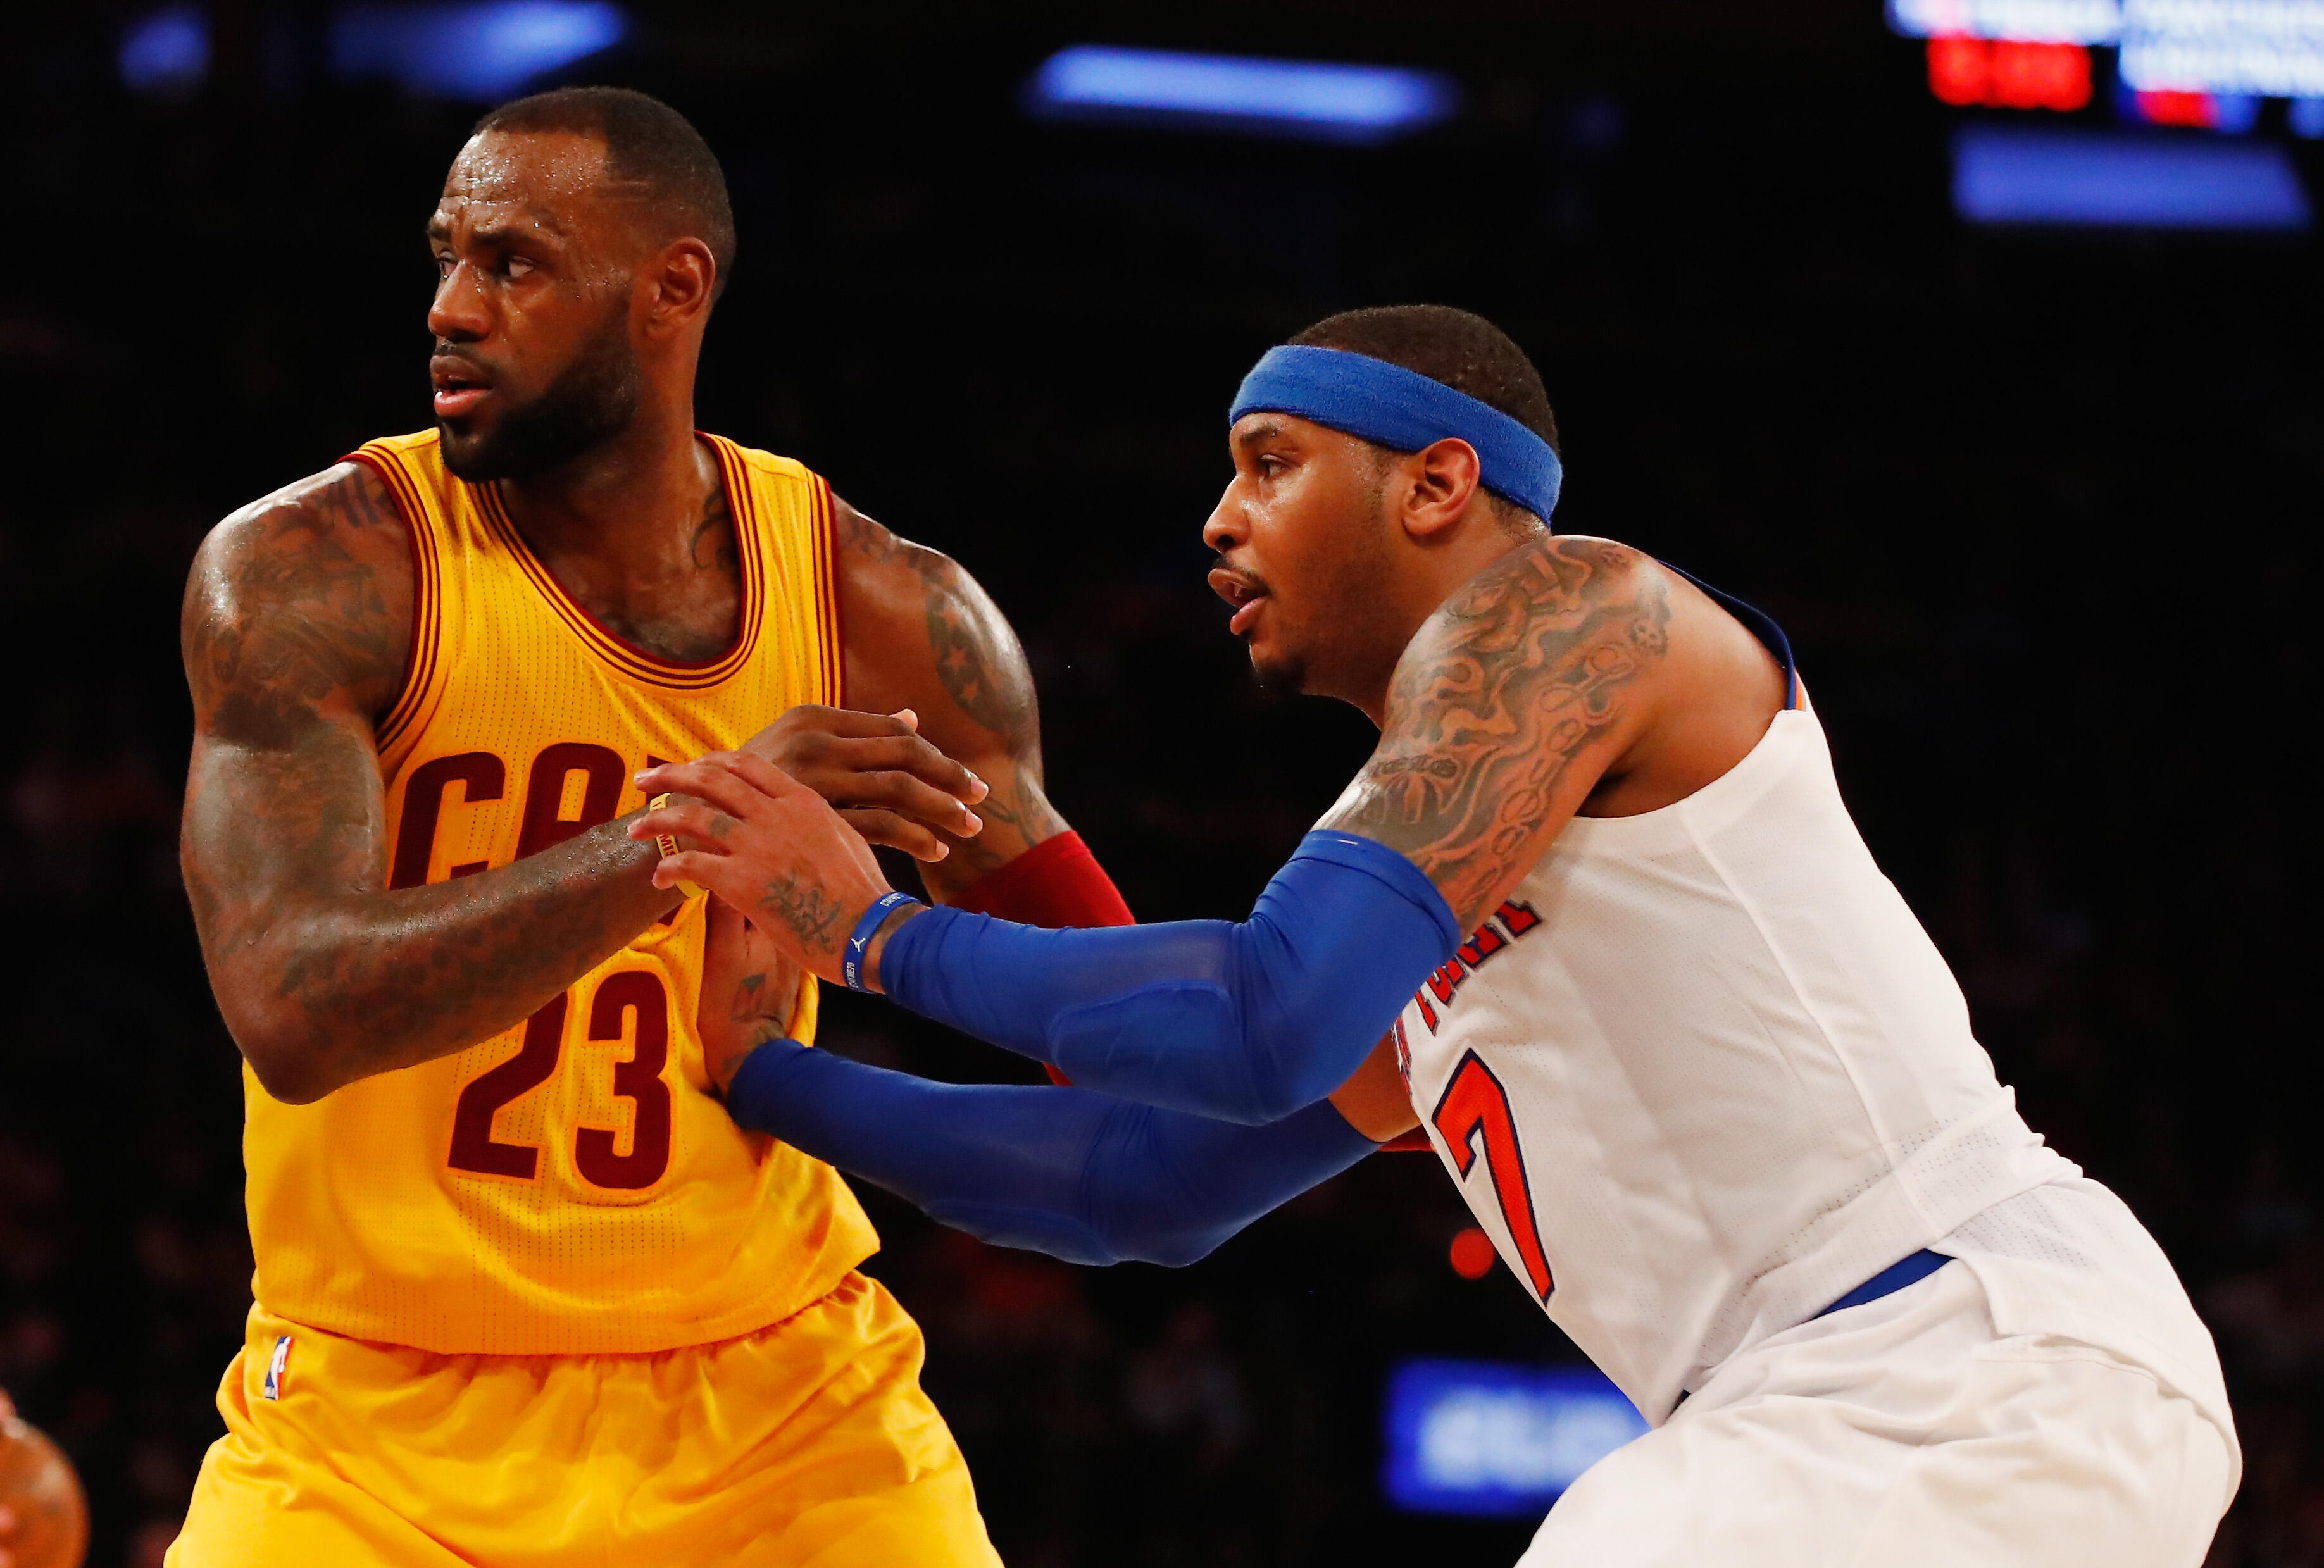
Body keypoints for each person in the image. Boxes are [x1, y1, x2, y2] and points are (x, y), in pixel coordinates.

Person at [636, 305, 2242, 1566]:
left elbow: (1259, 1018)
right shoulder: (1420, 882)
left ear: (1437, 480)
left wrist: (872, 933)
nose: (1217, 520)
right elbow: (1136, 1188)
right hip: (1848, 1405)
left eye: (1268, 462)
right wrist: (765, 1082)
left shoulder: (1578, 615)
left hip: (1954, 1354)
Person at [172, 86, 1132, 1566]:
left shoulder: (882, 610)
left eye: (514, 263)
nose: (450, 307)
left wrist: (1367, 1062)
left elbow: (1104, 1018)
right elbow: (292, 1008)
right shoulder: (319, 568)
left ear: (671, 288)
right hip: (376, 1420)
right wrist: (697, 826)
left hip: (779, 1400)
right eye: (446, 257)